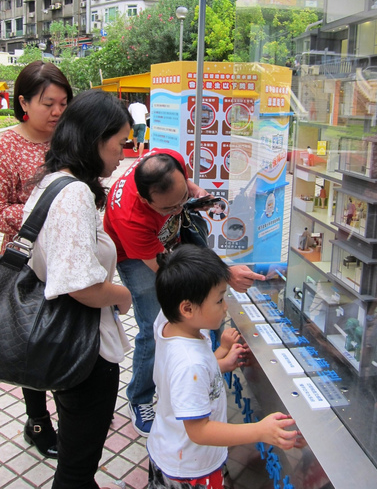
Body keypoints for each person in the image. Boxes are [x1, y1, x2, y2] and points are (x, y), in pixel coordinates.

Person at [104, 149, 266, 437]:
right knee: (153, 326)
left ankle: (190, 373)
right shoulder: (131, 219)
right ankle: (140, 398)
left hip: (164, 241)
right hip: (135, 257)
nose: (180, 210)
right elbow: (170, 272)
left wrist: (194, 193)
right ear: (145, 200)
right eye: (169, 207)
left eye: (182, 201)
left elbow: (183, 191)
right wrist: (224, 275)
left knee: (181, 319)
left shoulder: (168, 158)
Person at [24, 90, 132, 489]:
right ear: (95, 139)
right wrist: (124, 296)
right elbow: (81, 287)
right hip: (85, 350)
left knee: (75, 461)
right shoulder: (74, 195)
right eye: (120, 142)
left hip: (65, 341)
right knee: (77, 469)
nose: (123, 154)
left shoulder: (53, 181)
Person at [147, 244, 300, 488]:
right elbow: (199, 431)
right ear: (187, 308)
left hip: (168, 446)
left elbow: (185, 379)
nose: (225, 306)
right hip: (190, 470)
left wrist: (221, 358)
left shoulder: (169, 323)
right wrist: (260, 431)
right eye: (219, 300)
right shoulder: (190, 363)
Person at [0, 60, 73, 459]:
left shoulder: (68, 139)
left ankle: (71, 406)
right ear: (24, 102)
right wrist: (43, 213)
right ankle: (38, 420)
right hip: (27, 264)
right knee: (34, 338)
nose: (58, 112)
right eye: (48, 104)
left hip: (69, 257)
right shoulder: (5, 147)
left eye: (63, 103)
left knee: (66, 335)